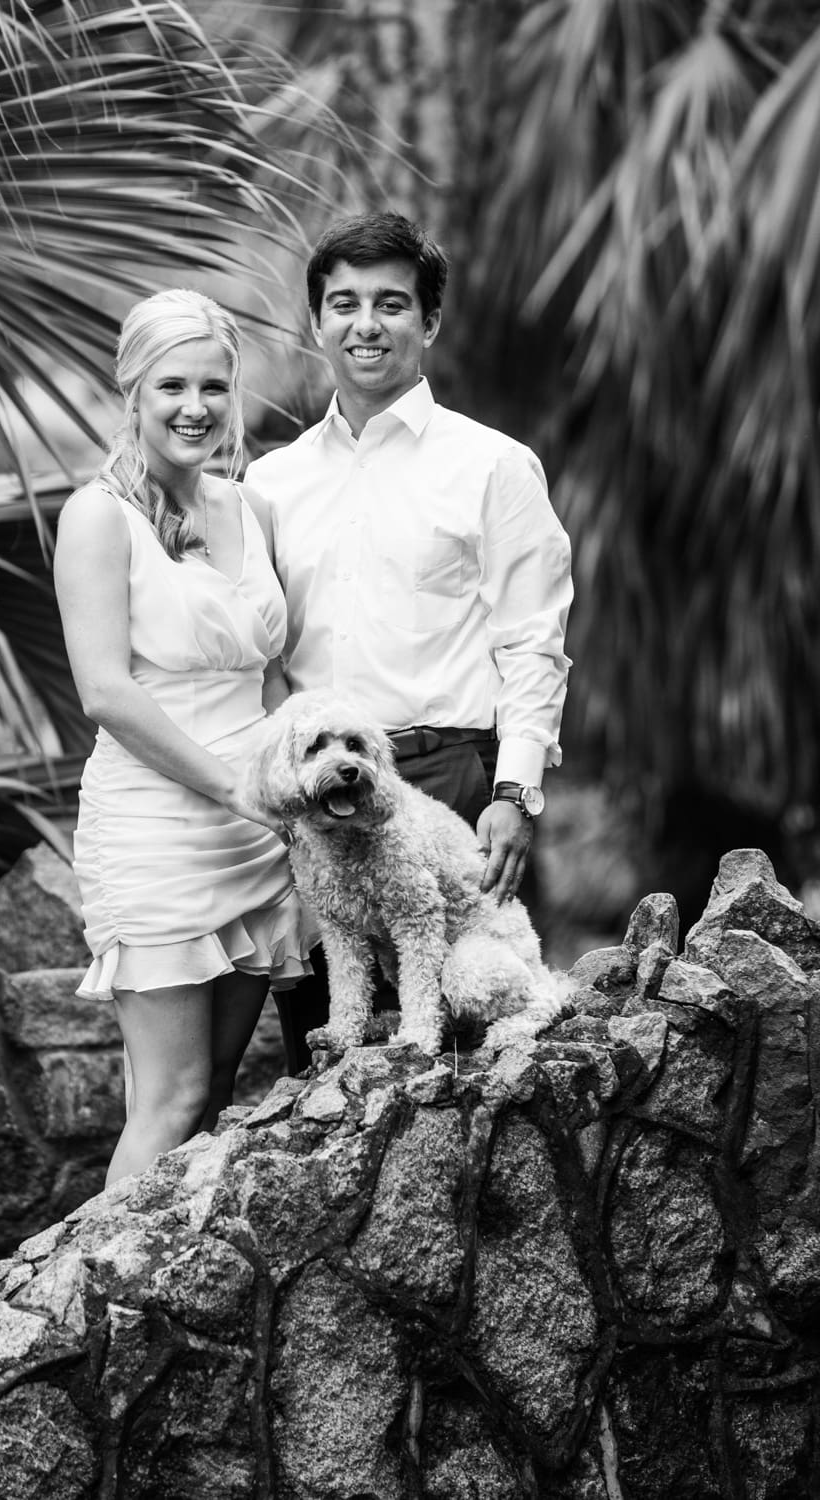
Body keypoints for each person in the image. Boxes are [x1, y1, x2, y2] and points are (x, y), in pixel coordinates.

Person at [244, 211, 573, 1074]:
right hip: (314, 798)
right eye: (343, 303)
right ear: (317, 322)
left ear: (428, 322)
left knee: (469, 1051)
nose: (365, 323)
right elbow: (261, 653)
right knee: (328, 1054)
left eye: (391, 304)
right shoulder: (270, 484)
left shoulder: (493, 465)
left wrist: (517, 791)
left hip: (453, 787)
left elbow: (534, 642)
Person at [54, 288, 317, 1186]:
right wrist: (236, 788)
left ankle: (157, 1309)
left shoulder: (254, 509)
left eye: (214, 386)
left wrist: (292, 791)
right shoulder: (96, 518)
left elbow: (271, 675)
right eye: (172, 385)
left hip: (261, 833)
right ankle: (88, 1312)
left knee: (208, 1102)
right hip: (159, 827)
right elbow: (106, 694)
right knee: (168, 1098)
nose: (195, 407)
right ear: (132, 391)